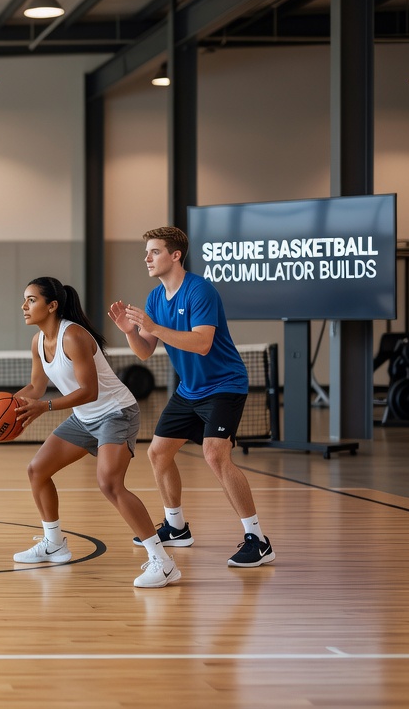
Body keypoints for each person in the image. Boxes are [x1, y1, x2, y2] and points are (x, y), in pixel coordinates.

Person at [108, 226, 274, 568]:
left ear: (175, 255)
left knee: (215, 456)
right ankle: (177, 527)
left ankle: (257, 539)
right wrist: (131, 333)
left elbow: (202, 344)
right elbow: (144, 352)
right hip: (190, 389)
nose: (147, 258)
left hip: (225, 384)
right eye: (147, 253)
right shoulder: (155, 297)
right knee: (158, 453)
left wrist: (153, 328)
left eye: (154, 252)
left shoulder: (200, 291)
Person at [10, 277, 180, 588]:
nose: (24, 306)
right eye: (25, 299)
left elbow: (89, 391)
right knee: (37, 470)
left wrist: (44, 408)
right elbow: (36, 387)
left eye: (31, 300)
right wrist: (8, 405)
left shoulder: (73, 336)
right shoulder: (37, 341)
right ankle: (54, 544)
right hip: (84, 417)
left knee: (110, 484)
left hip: (116, 413)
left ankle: (163, 562)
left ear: (52, 305)